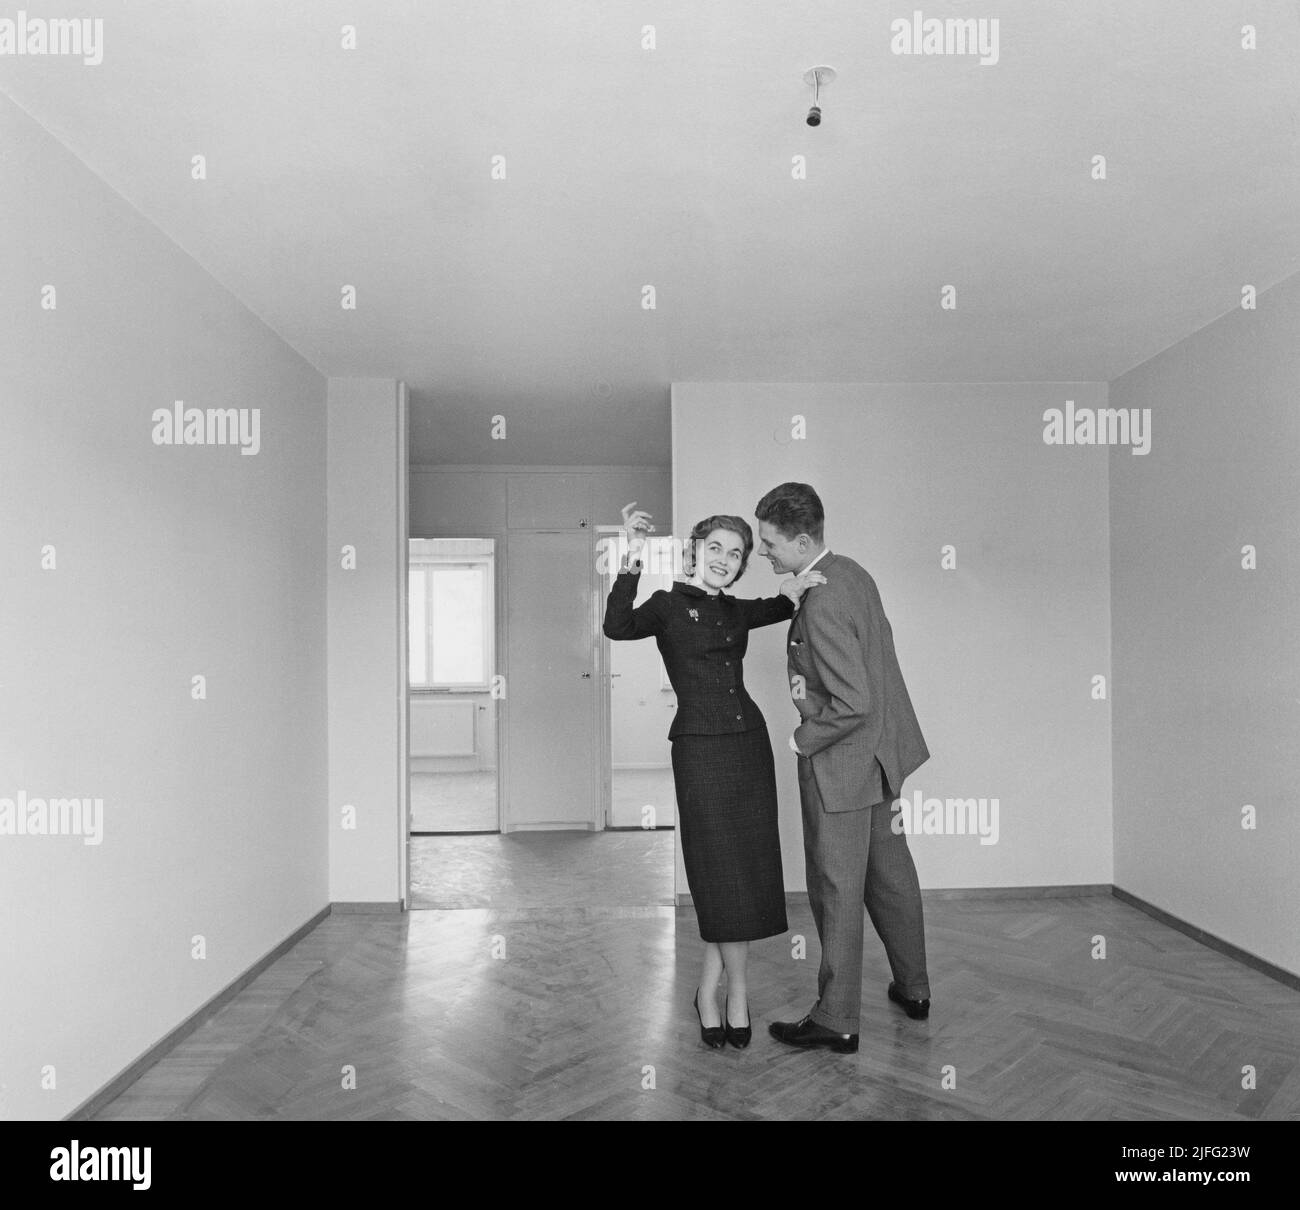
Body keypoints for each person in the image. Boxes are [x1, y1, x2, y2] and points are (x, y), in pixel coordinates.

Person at [603, 502, 825, 1049]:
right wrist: (630, 552)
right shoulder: (665, 606)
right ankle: (731, 992)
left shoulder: (735, 611)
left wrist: (803, 581)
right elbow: (615, 625)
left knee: (743, 871)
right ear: (693, 553)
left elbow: (777, 605)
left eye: (736, 552)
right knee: (715, 870)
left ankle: (717, 992)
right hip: (699, 750)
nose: (725, 559)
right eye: (715, 549)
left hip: (749, 745)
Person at [755, 482, 932, 1054]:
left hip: (841, 765)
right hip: (882, 758)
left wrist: (804, 739)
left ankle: (837, 1017)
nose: (766, 555)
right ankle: (915, 989)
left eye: (770, 544)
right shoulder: (853, 574)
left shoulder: (824, 599)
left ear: (803, 540)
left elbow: (851, 701)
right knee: (892, 879)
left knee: (837, 890)